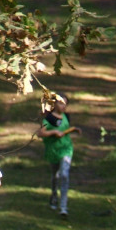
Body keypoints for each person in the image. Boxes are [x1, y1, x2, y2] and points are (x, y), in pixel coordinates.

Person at [36, 92, 81, 220]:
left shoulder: (66, 116)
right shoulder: (48, 119)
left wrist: (74, 130)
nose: (63, 106)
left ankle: (63, 207)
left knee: (64, 175)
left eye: (65, 104)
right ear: (54, 104)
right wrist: (54, 132)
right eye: (61, 103)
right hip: (53, 151)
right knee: (55, 176)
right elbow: (40, 133)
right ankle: (54, 195)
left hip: (66, 150)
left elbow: (67, 129)